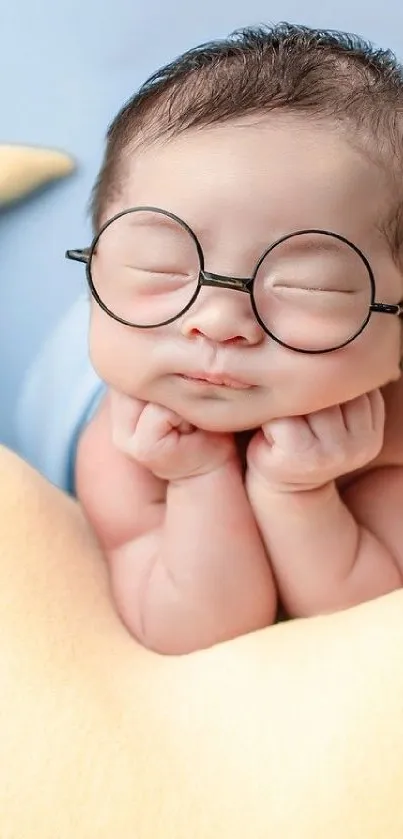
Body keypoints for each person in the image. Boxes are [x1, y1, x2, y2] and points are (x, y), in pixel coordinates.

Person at [19, 23, 403, 654]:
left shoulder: (386, 439)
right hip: (109, 350)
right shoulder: (125, 446)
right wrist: (197, 478)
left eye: (309, 289)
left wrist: (298, 497)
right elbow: (191, 630)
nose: (217, 321)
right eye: (160, 266)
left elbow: (362, 621)